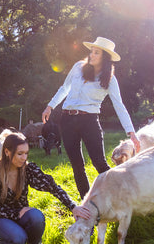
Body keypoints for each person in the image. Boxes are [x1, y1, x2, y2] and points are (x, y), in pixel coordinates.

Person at [42, 36, 140, 198]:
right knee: (77, 165)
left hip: (89, 122)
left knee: (99, 162)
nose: (91, 55)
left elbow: (119, 106)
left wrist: (131, 132)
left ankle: (124, 195)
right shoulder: (78, 67)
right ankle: (87, 203)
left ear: (105, 58)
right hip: (67, 120)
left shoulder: (109, 79)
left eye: (97, 53)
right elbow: (65, 87)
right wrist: (50, 106)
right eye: (92, 52)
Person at [0, 132, 91, 244]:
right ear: (7, 152)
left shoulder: (28, 169)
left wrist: (73, 206)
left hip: (22, 216)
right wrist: (16, 213)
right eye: (20, 154)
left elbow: (52, 186)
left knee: (37, 217)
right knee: (18, 239)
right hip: (0, 219)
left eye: (26, 153)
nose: (24, 158)